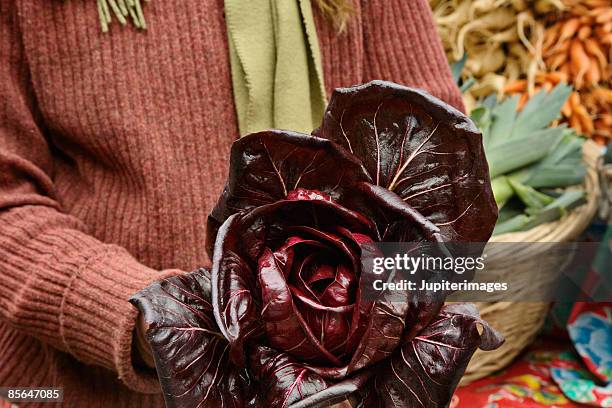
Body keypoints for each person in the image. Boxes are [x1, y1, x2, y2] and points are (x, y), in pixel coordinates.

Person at [0, 0, 462, 406]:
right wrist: (157, 317)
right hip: (95, 387)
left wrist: (370, 324)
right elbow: (9, 204)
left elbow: (436, 160)